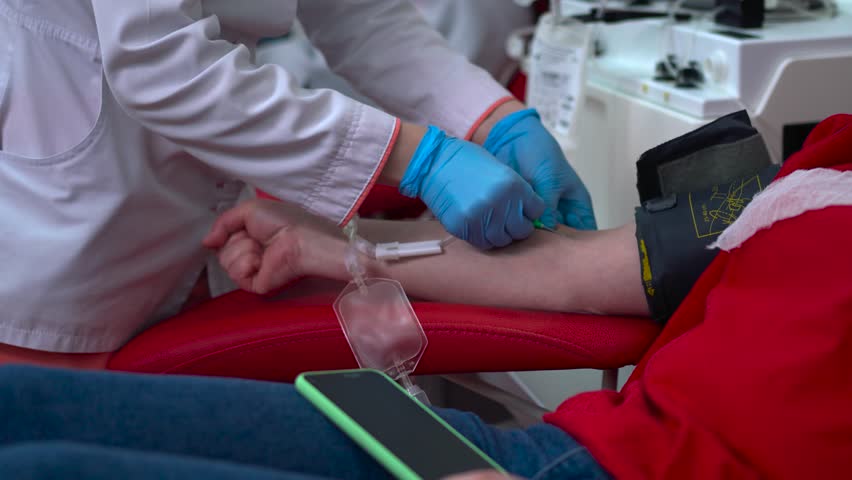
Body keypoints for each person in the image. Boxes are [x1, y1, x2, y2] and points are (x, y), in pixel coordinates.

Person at [0, 114, 849, 479]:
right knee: (18, 408)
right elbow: (572, 268)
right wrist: (329, 249)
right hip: (540, 451)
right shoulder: (831, 157)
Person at [0, 1, 592, 364]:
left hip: (193, 197)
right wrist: (420, 158)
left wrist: (492, 116)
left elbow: (357, 14)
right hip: (72, 186)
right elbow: (156, 60)